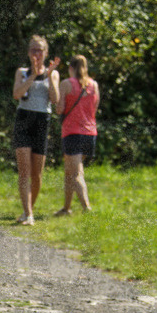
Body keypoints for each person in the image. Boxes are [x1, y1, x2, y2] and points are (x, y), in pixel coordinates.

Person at [11, 35, 60, 225]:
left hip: (41, 121)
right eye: (33, 49)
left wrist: (47, 75)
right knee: (24, 171)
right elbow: (17, 94)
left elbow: (55, 100)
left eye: (40, 50)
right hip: (24, 119)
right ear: (28, 52)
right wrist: (33, 74)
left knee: (36, 175)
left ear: (46, 52)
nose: (36, 53)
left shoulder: (52, 73)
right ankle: (28, 213)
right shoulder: (21, 72)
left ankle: (27, 210)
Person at [54, 55, 100, 215]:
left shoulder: (66, 84)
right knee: (69, 172)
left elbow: (60, 109)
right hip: (90, 133)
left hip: (72, 132)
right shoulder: (93, 85)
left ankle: (86, 208)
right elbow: (95, 107)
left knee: (75, 173)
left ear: (70, 68)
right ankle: (66, 208)